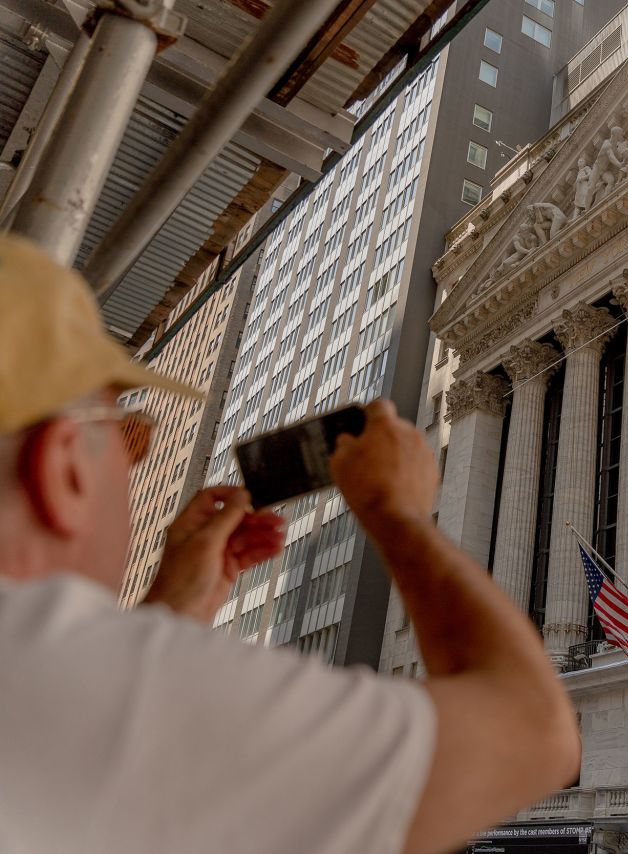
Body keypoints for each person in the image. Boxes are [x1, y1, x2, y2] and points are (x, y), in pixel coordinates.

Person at [0, 234, 580, 853]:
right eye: (132, 439)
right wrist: (395, 511)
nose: (134, 469)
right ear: (64, 468)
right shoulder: (61, 673)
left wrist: (169, 613)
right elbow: (532, 733)